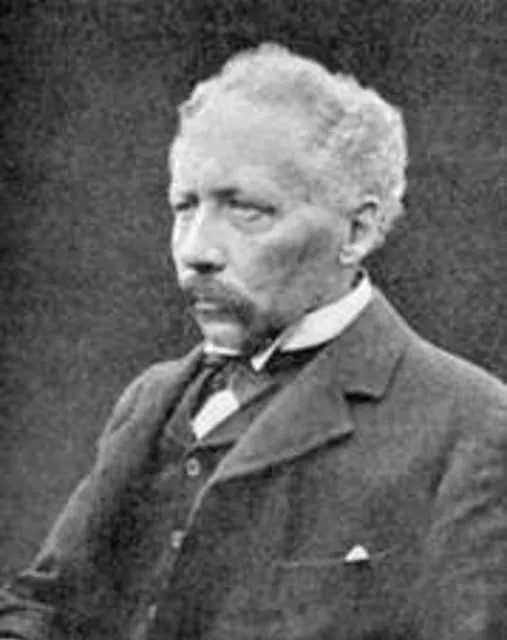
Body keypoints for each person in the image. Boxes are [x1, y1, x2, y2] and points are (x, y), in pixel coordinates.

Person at [1, 43, 506, 640]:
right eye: (184, 206)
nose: (196, 250)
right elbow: (47, 607)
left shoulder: (472, 427)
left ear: (357, 230)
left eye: (246, 211)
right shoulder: (153, 399)